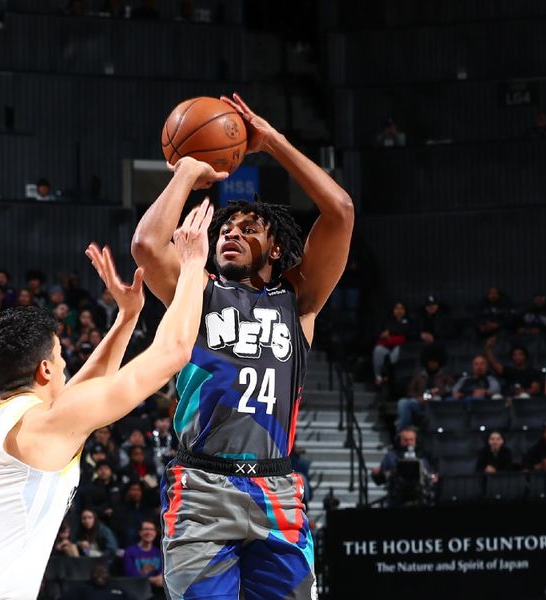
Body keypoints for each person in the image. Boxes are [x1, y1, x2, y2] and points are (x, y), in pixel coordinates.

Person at [0, 203, 211, 599]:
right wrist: (191, 266)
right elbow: (171, 352)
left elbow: (79, 397)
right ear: (46, 371)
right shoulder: (40, 427)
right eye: (62, 359)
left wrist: (127, 316)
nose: (69, 368)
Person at [131, 93, 353, 600]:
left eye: (248, 229)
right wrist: (186, 172)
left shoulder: (299, 301)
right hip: (202, 489)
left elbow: (339, 210)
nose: (231, 233)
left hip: (277, 492)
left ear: (276, 248)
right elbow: (146, 246)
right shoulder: (197, 289)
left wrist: (271, 141)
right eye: (225, 229)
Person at [396, 348, 454, 429]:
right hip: (420, 401)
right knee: (403, 402)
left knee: (436, 399)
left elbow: (450, 389)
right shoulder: (418, 376)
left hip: (437, 401)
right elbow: (410, 391)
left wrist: (438, 392)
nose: (433, 364)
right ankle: (405, 428)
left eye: (435, 362)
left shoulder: (446, 376)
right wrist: (419, 398)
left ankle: (433, 427)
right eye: (431, 362)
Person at [372, 301, 414, 386]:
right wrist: (382, 335)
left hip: (402, 347)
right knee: (378, 350)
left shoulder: (409, 321)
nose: (399, 311)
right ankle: (378, 377)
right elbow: (377, 333)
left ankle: (389, 376)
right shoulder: (387, 321)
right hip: (387, 346)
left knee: (396, 352)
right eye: (397, 308)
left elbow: (408, 332)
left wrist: (391, 332)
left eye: (401, 308)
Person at [122, 520, 163, 591]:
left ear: (155, 533)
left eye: (151, 529)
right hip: (137, 590)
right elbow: (131, 576)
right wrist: (151, 580)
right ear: (140, 532)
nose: (148, 532)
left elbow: (162, 572)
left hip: (157, 591)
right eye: (145, 529)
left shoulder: (158, 552)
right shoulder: (130, 551)